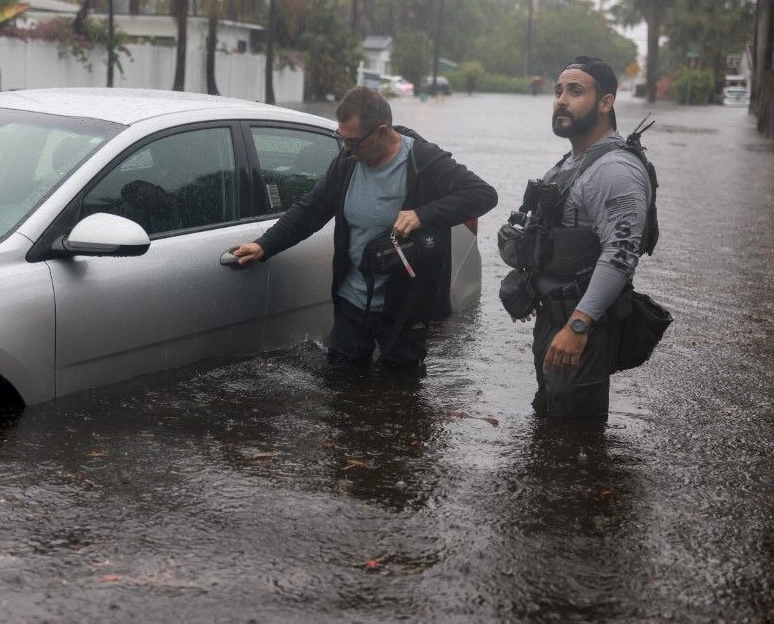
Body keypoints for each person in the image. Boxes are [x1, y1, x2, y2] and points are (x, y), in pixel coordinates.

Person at [232, 87, 497, 367]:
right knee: (340, 385)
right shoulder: (348, 162)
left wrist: (424, 214)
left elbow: (484, 194)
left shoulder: (424, 162)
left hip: (405, 308)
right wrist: (265, 244)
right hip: (352, 302)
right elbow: (312, 207)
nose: (346, 149)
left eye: (354, 142)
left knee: (401, 394)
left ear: (382, 132)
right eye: (342, 139)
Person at [514, 56, 654, 418]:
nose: (562, 99)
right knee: (549, 418)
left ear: (606, 102)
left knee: (574, 434)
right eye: (558, 91)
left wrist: (578, 325)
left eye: (576, 91)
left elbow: (621, 253)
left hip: (584, 325)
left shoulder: (615, 170)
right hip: (554, 316)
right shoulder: (569, 162)